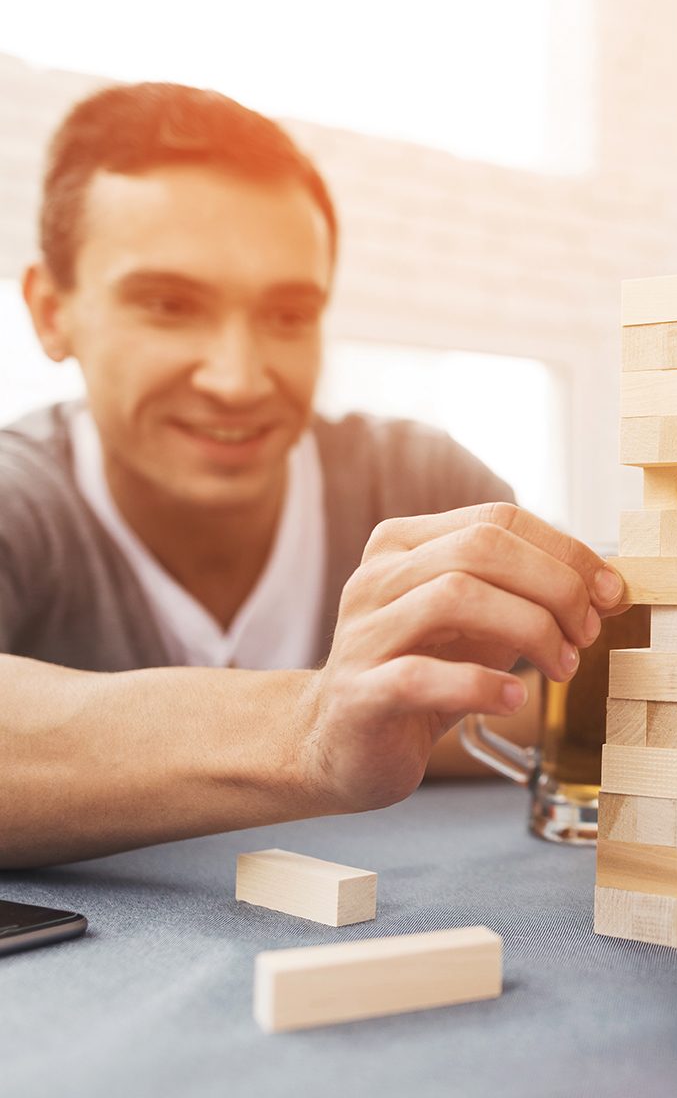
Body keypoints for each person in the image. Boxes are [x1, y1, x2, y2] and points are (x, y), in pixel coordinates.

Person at [0, 82, 627, 868]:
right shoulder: (18, 499)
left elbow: (595, 698)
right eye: (168, 305)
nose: (238, 379)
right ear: (52, 312)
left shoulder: (420, 483)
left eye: (289, 315)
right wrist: (310, 727)